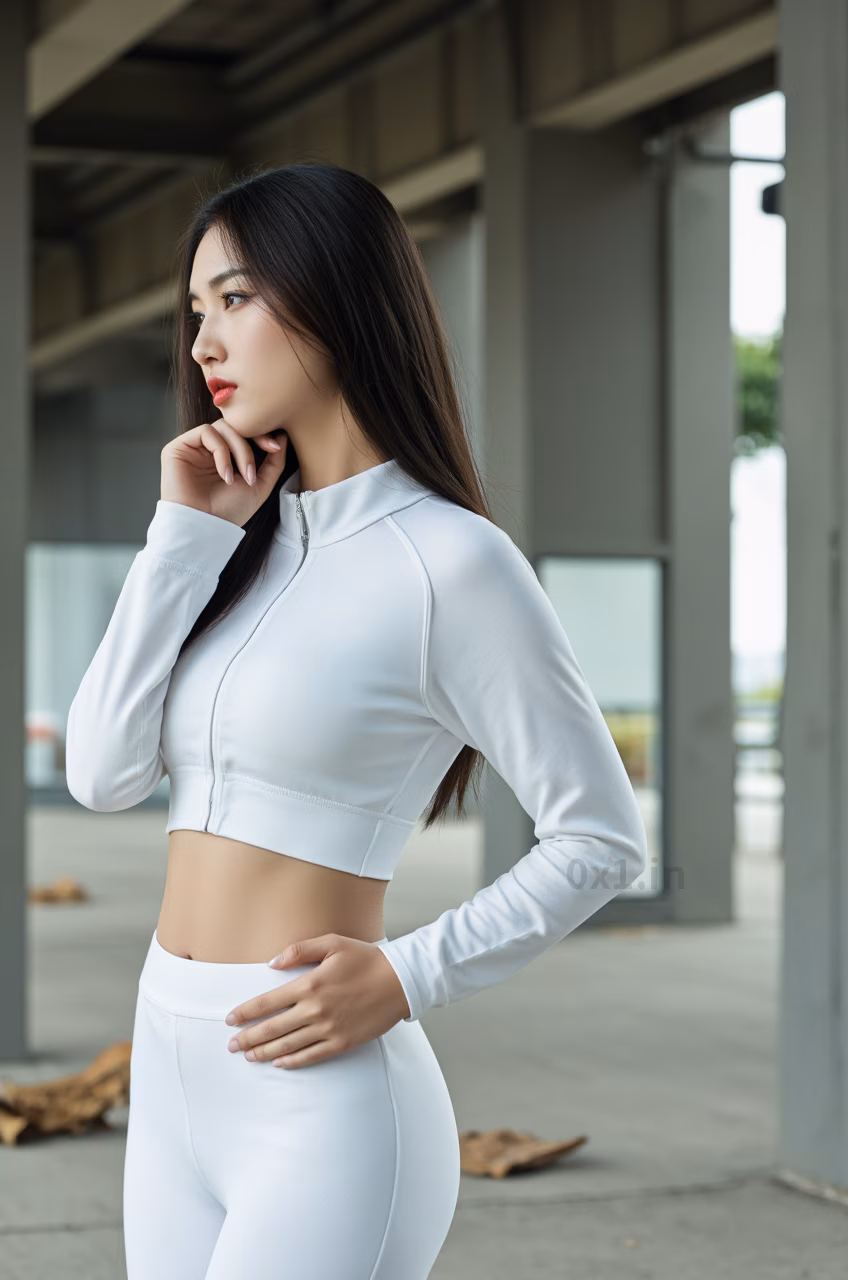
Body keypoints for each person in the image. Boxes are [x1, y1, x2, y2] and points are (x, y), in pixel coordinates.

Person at [64, 160, 648, 1280]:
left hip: (320, 1100)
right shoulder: (231, 546)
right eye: (196, 312)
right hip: (171, 1064)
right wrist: (181, 537)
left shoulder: (451, 561)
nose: (203, 343)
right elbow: (100, 771)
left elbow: (598, 836)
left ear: (334, 295)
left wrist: (407, 973)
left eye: (234, 298)